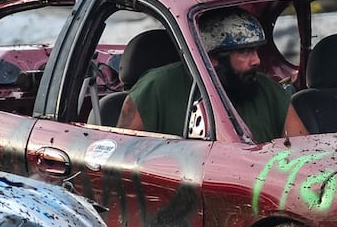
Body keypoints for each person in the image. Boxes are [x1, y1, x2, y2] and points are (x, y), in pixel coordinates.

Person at [117, 8, 300, 142]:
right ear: (211, 57)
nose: (257, 60)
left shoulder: (269, 91)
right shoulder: (155, 89)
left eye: (256, 50)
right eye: (245, 52)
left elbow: (304, 153)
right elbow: (124, 157)